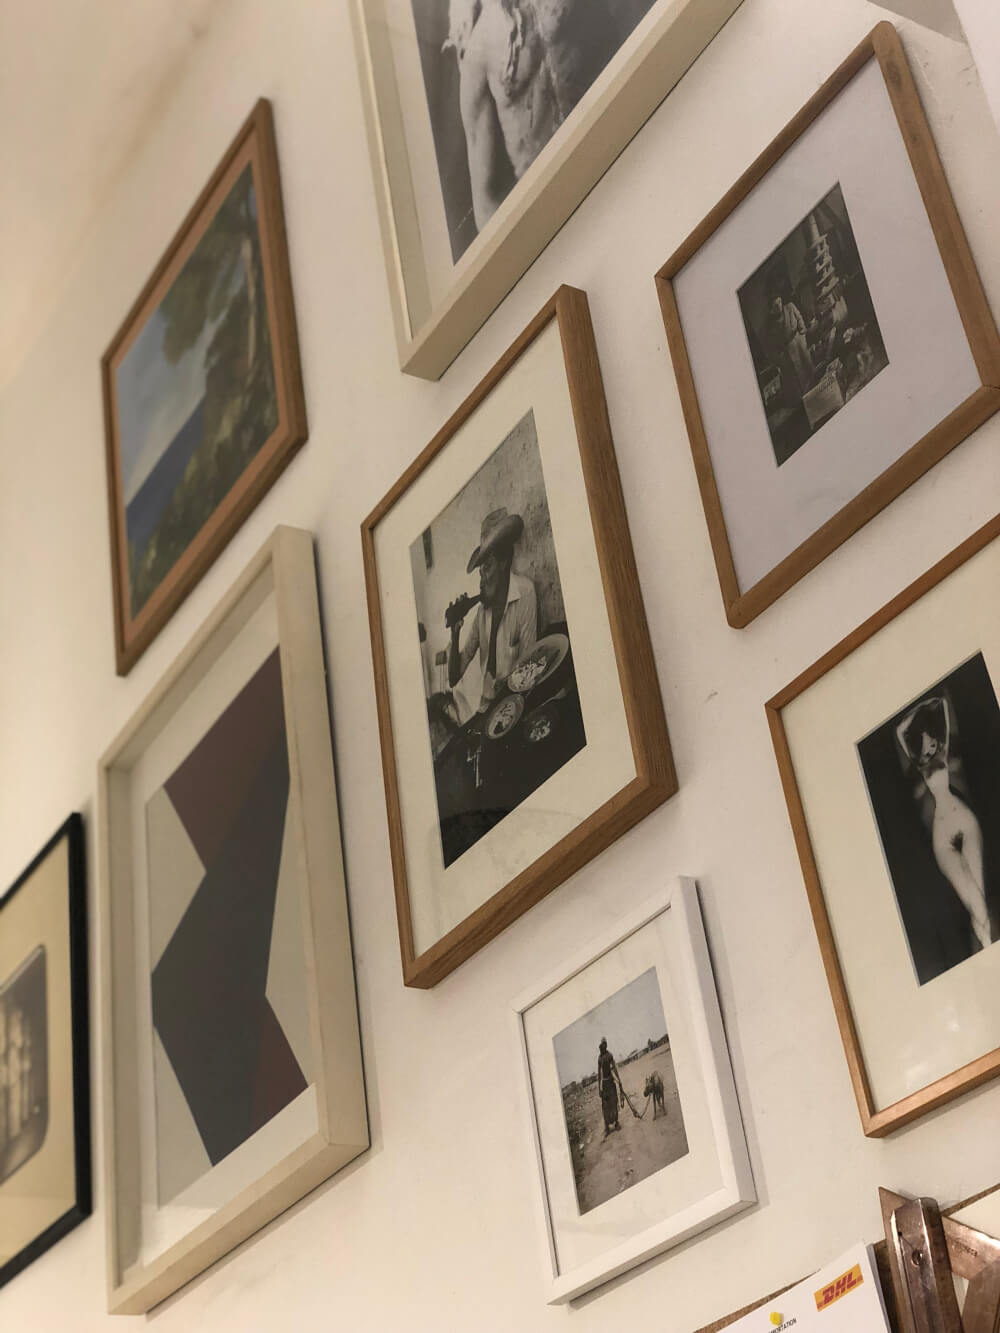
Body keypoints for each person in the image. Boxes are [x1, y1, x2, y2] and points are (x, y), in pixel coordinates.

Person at [445, 0, 650, 231]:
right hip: (555, 220)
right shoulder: (478, 52)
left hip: (623, 166)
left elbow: (632, 61)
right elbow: (485, 201)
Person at [896, 694, 994, 952]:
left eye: (932, 741)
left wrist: (933, 704)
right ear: (919, 747)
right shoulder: (921, 765)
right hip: (941, 832)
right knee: (972, 899)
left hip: (963, 818)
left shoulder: (943, 751)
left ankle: (987, 947)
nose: (930, 747)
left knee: (978, 896)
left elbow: (945, 710)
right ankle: (988, 947)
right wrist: (918, 711)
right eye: (925, 745)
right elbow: (899, 731)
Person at [446, 508, 537, 713]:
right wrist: (455, 631)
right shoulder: (482, 613)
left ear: (503, 562)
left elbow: (528, 667)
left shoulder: (525, 593)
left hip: (517, 700)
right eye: (480, 572)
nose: (482, 580)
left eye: (487, 568)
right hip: (487, 706)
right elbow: (453, 678)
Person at [760, 286, 814, 402]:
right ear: (771, 309)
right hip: (787, 355)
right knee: (798, 382)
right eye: (775, 305)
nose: (779, 306)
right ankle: (806, 401)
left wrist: (803, 335)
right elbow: (770, 348)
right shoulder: (770, 325)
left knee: (809, 371)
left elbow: (799, 319)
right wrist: (779, 360)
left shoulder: (790, 307)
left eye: (780, 302)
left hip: (799, 344)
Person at [596, 1037, 622, 1138]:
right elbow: (599, 1074)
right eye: (603, 1044)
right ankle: (607, 1128)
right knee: (605, 1107)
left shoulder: (610, 1055)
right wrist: (599, 1089)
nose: (604, 1046)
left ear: (606, 1045)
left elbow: (614, 1068)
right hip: (605, 1085)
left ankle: (616, 1122)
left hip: (611, 1082)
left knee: (614, 1102)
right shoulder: (600, 1058)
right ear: (601, 1045)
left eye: (605, 1044)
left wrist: (619, 1081)